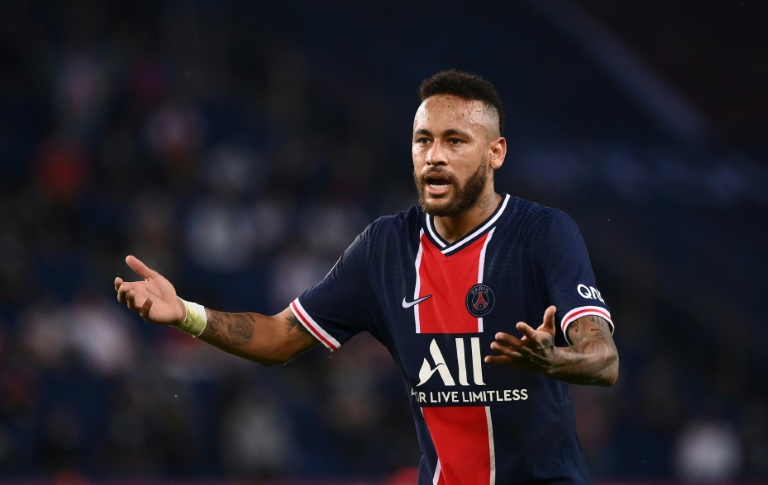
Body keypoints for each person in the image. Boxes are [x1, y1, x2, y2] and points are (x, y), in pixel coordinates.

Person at [115, 70, 619, 484]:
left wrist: (556, 360)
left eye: (455, 141)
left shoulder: (543, 234)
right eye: (423, 140)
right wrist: (185, 314)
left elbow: (605, 359)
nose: (434, 156)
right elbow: (277, 337)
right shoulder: (385, 248)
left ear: (496, 153)